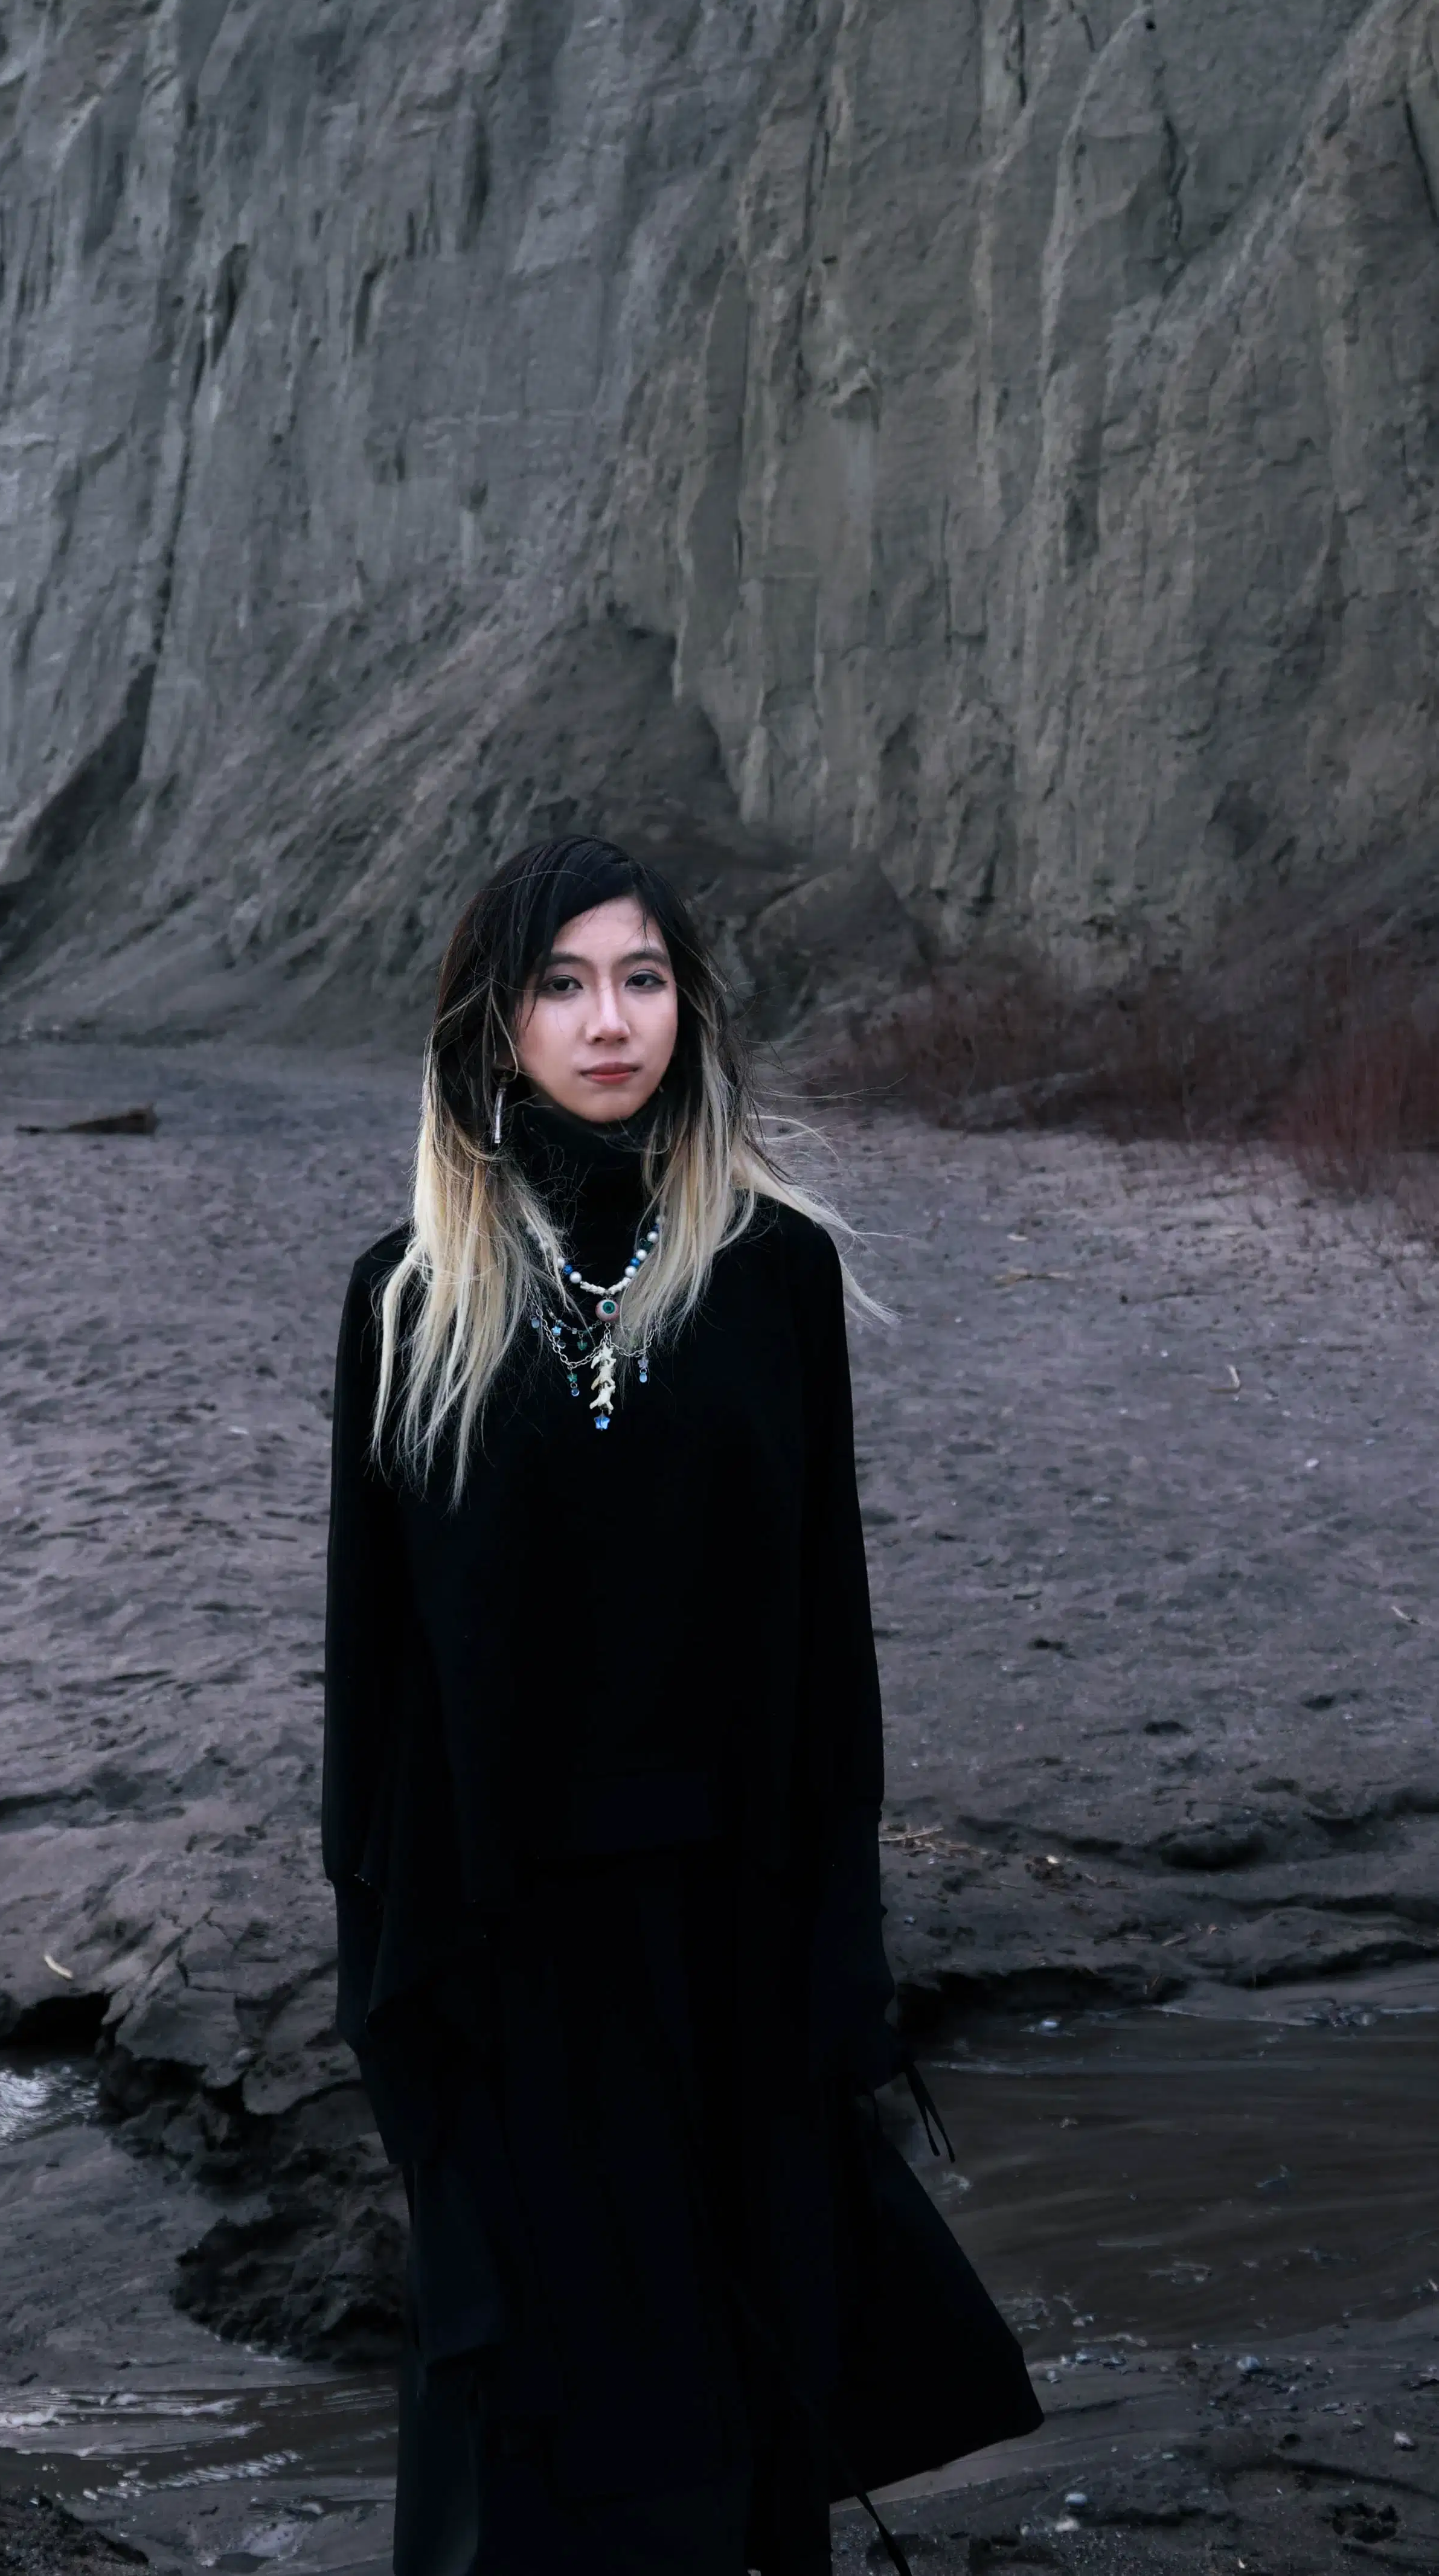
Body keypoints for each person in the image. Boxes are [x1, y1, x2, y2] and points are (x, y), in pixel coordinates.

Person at [323, 837, 1040, 2575]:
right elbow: (377, 1671)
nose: (609, 1019)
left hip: (734, 1905)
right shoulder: (408, 1299)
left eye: (640, 978)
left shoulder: (773, 1274)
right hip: (510, 1927)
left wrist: (842, 1937)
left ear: (688, 1008)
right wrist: (385, 1960)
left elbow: (827, 1626)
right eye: (563, 985)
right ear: (496, 1029)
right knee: (549, 2366)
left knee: (747, 2330)